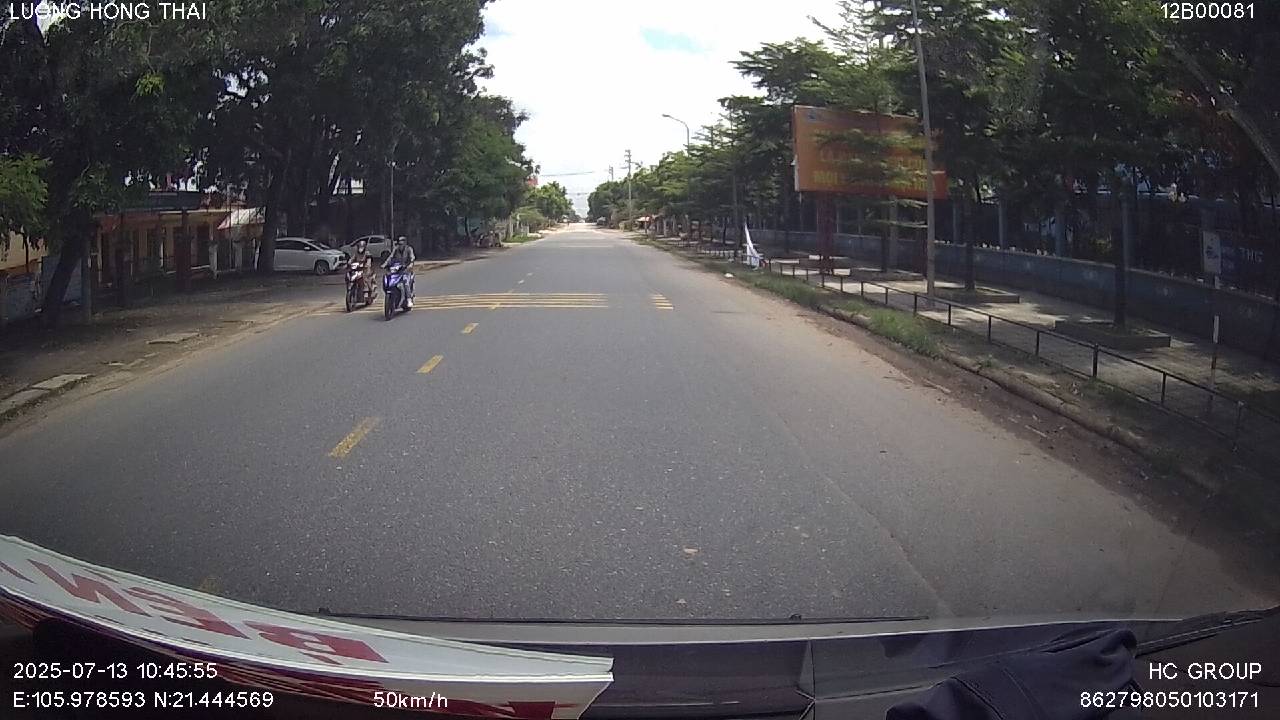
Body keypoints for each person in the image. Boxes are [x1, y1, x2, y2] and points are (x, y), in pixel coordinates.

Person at [382, 236, 415, 308]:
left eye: (402, 244)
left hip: (406, 270)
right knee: (388, 278)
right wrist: (385, 264)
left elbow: (412, 258)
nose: (400, 245)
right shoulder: (396, 249)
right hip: (397, 269)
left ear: (405, 243)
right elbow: (390, 257)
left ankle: (409, 299)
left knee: (405, 282)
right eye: (399, 244)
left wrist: (410, 264)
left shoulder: (409, 249)